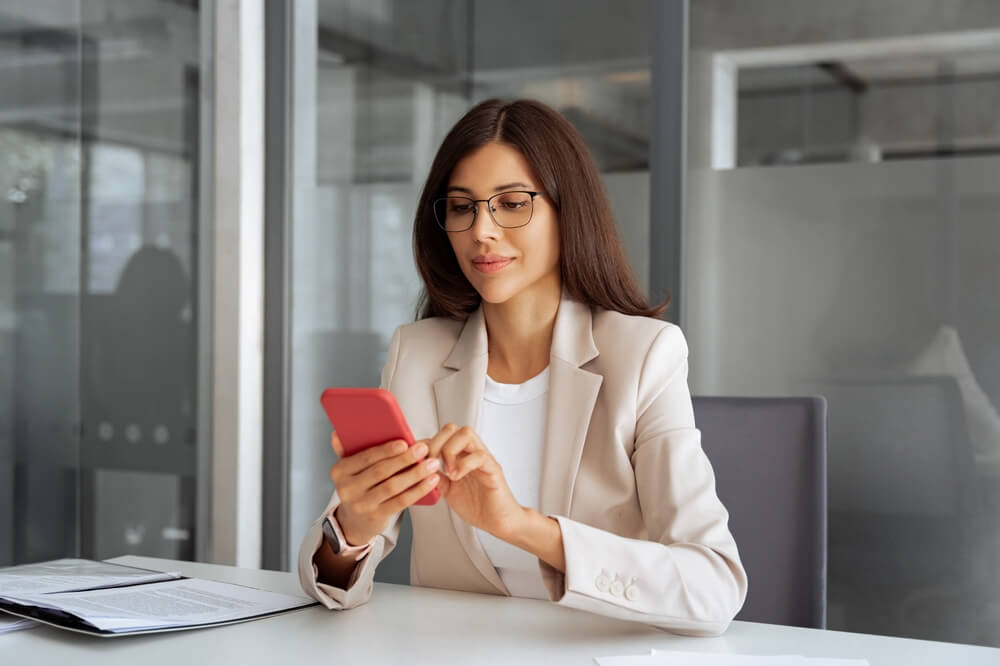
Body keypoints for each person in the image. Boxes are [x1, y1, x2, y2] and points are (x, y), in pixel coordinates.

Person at [298, 99, 746, 636]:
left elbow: (714, 586)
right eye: (461, 207)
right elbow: (323, 583)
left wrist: (521, 526)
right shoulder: (416, 355)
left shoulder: (645, 354)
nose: (481, 230)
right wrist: (355, 526)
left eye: (511, 203)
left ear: (567, 210)